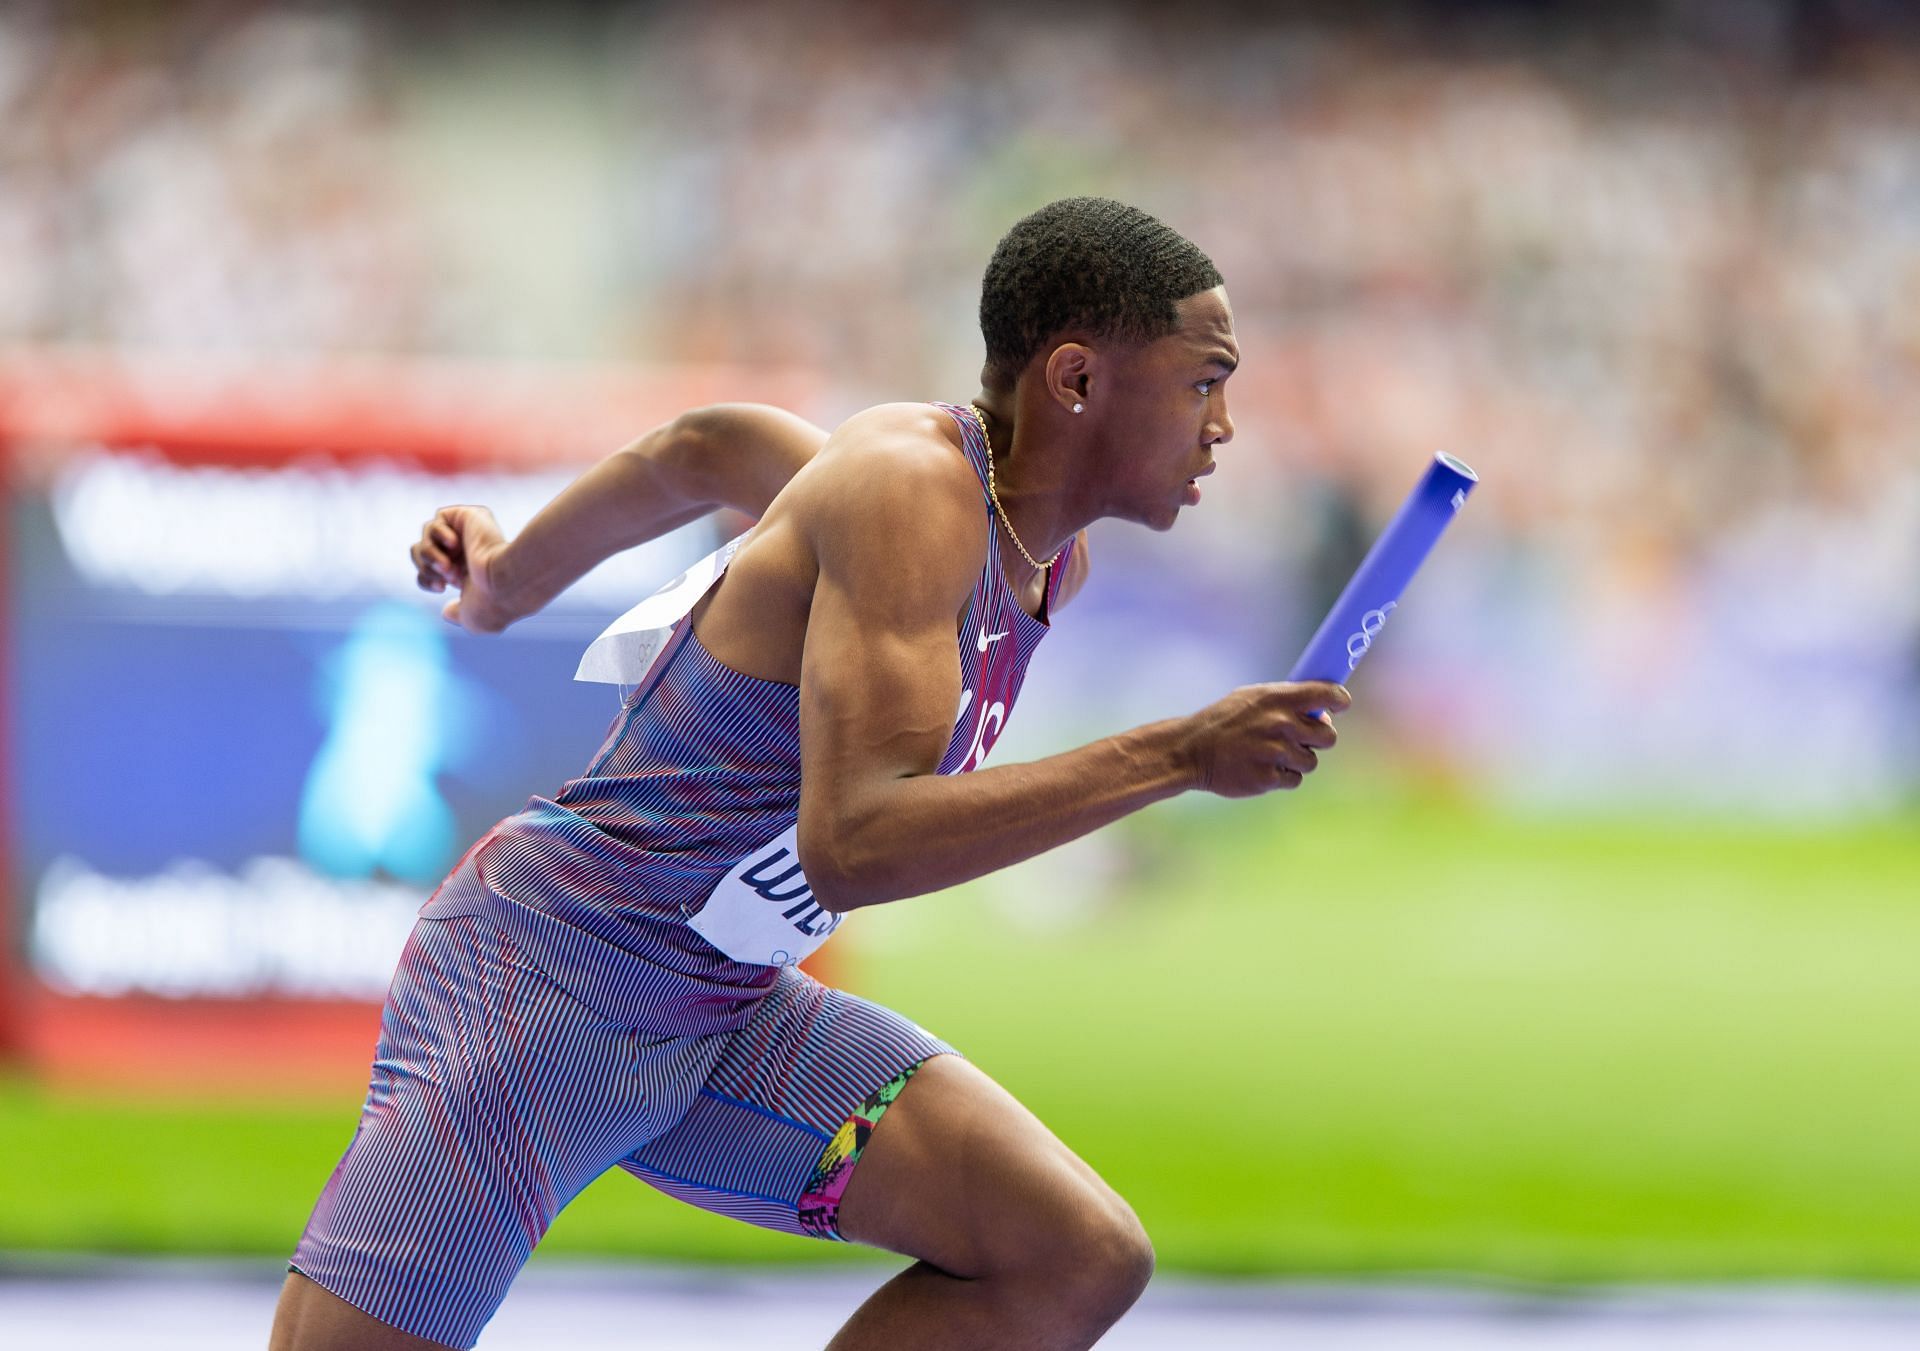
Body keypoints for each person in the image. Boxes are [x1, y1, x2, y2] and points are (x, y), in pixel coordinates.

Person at [270, 196, 1349, 1351]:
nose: (1226, 426)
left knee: (1072, 1255)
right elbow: (858, 842)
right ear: (1077, 378)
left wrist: (507, 581)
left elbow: (712, 447)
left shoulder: (1037, 556)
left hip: (727, 1015)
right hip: (552, 985)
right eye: (1206, 380)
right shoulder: (909, 485)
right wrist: (1177, 754)